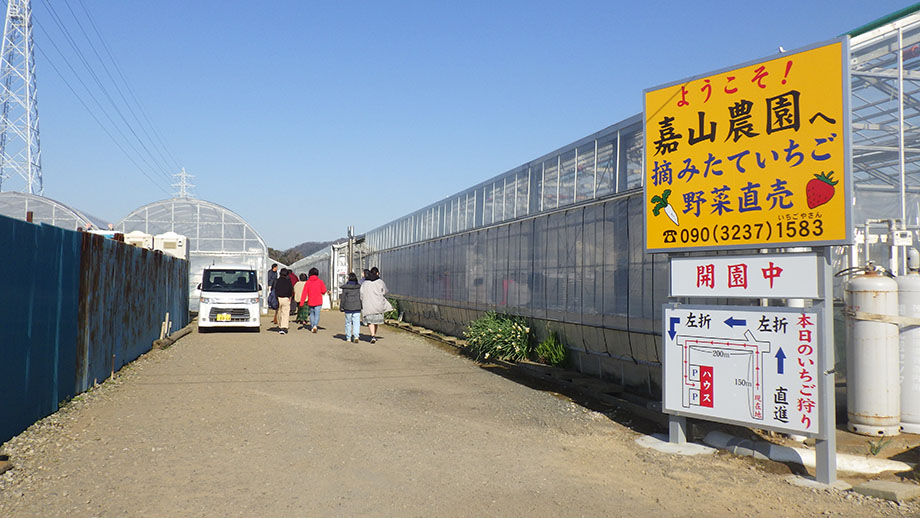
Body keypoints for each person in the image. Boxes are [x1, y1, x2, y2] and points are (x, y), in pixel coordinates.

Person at [359, 266, 392, 344]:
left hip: (368, 305)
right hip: (378, 305)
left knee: (370, 322)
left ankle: (372, 335)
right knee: (376, 321)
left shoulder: (365, 283)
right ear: (377, 273)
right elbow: (384, 291)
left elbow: (361, 293)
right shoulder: (380, 282)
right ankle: (374, 335)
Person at [300, 267, 327, 333]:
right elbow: (324, 291)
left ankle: (312, 326)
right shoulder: (320, 282)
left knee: (312, 314)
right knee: (317, 314)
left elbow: (304, 293)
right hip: (318, 301)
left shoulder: (308, 282)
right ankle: (315, 325)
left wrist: (302, 302)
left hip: (311, 301)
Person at [340, 272, 362, 343]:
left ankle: (348, 337)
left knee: (348, 322)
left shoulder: (346, 287)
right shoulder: (359, 287)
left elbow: (343, 298)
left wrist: (341, 306)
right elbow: (361, 297)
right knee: (356, 322)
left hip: (348, 307)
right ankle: (356, 336)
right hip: (357, 307)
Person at [274, 268, 294, 334]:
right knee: (285, 313)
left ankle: (280, 325)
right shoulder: (288, 281)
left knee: (279, 312)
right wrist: (290, 297)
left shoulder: (277, 281)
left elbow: (274, 289)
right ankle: (284, 327)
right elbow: (291, 290)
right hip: (286, 298)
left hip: (278, 298)